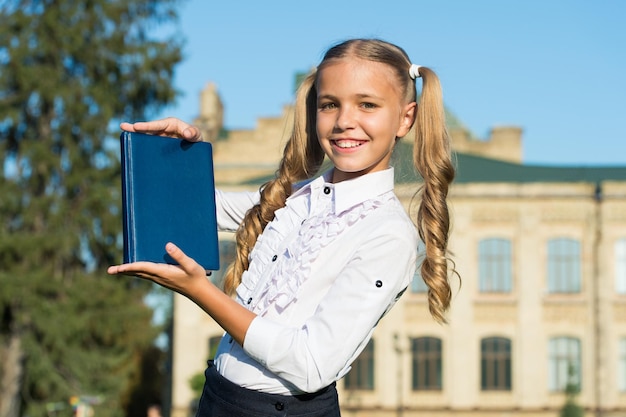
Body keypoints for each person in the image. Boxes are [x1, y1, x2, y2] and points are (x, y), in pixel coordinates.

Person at [108, 38, 456, 416]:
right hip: (219, 397)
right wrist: (172, 159)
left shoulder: (387, 235)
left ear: (406, 118)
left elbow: (310, 366)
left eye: (367, 105)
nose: (344, 121)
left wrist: (200, 291)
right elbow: (197, 209)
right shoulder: (296, 197)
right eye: (329, 105)